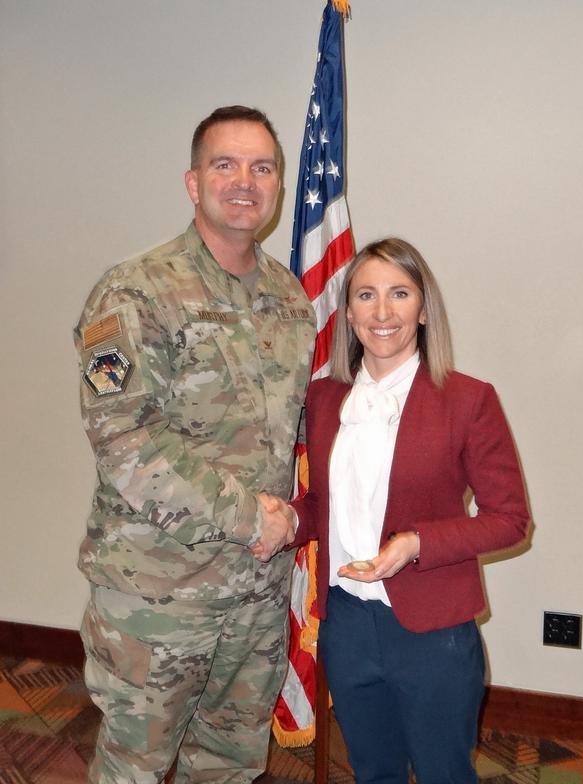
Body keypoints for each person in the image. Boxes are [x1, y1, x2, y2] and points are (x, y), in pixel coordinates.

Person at [74, 105, 316, 784]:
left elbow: (294, 437)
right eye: (226, 164)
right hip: (159, 599)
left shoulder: (290, 301)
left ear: (277, 186)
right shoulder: (136, 292)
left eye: (263, 167)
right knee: (135, 771)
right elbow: (124, 439)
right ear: (193, 182)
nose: (246, 180)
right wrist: (249, 518)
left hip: (255, 596)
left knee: (232, 768)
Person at [253, 238, 530, 784]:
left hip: (433, 631)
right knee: (372, 770)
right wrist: (288, 521)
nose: (382, 312)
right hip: (348, 624)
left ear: (424, 310)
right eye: (366, 295)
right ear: (348, 311)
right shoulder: (325, 399)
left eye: (399, 294)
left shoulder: (468, 399)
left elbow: (510, 519)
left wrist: (416, 544)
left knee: (443, 772)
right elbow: (323, 505)